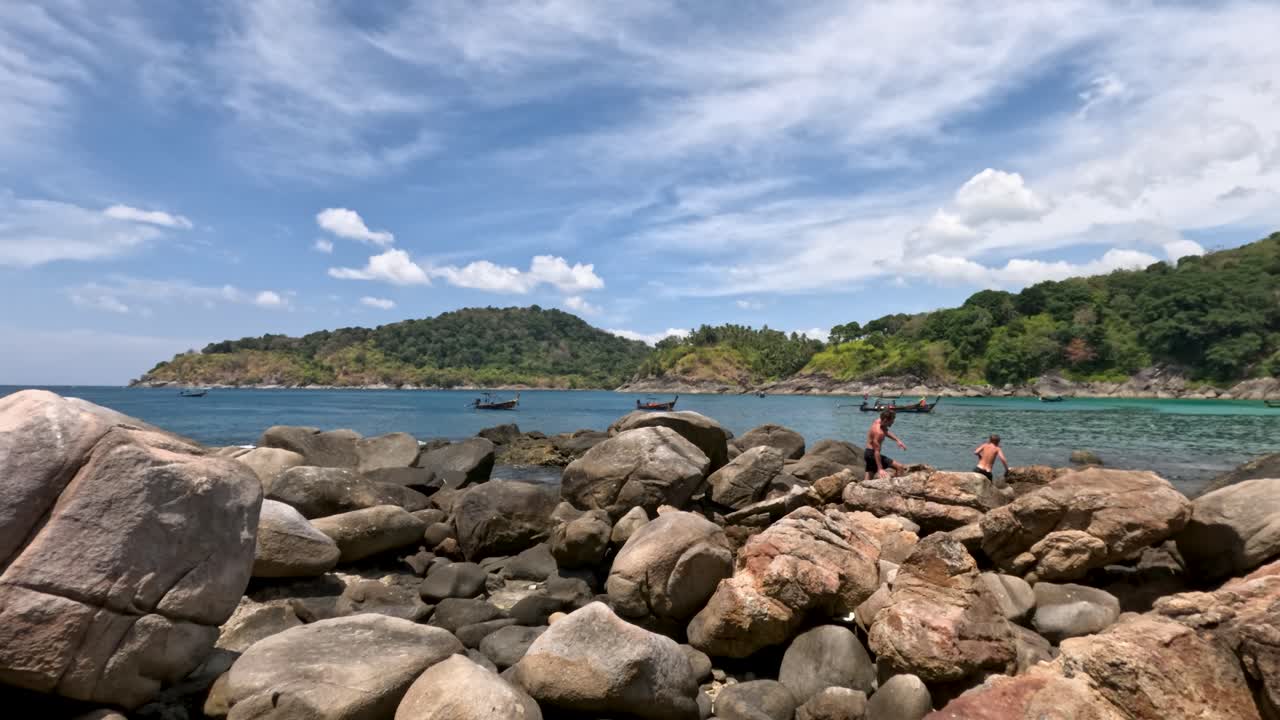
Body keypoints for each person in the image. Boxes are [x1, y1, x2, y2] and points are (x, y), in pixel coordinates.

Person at [865, 408, 907, 479]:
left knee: (868, 477)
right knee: (900, 467)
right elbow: (876, 452)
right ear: (885, 420)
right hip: (872, 455)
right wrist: (880, 468)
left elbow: (886, 431)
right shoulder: (878, 433)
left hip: (867, 454)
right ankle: (896, 488)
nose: (893, 422)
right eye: (892, 420)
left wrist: (897, 440)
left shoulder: (878, 421)